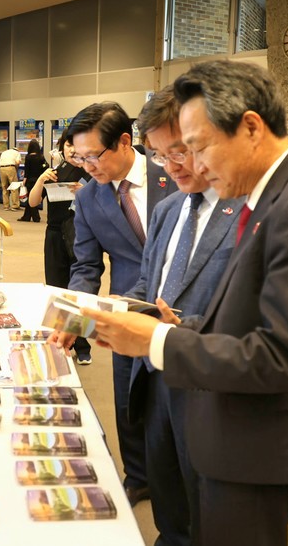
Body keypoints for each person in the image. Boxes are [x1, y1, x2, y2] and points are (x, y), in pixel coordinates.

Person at [82, 60, 288, 546]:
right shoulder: (274, 194)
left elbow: (281, 355)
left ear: (251, 128)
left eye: (196, 147)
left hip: (256, 429)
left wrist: (159, 339)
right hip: (226, 409)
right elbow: (240, 313)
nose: (193, 165)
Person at [125, 87, 244, 546]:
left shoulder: (252, 212)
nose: (170, 166)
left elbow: (254, 317)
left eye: (179, 151)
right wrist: (106, 311)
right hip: (156, 378)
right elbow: (149, 284)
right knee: (170, 501)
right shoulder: (168, 208)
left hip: (212, 386)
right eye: (158, 155)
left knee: (213, 513)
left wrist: (183, 330)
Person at [55, 101, 178, 506]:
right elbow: (86, 266)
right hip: (126, 308)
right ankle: (138, 476)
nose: (87, 166)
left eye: (94, 156)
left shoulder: (173, 175)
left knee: (178, 398)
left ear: (125, 141)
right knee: (129, 397)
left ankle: (180, 479)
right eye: (79, 158)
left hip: (181, 306)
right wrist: (74, 321)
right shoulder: (90, 197)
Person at [28, 128, 92, 363]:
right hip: (55, 235)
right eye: (68, 145)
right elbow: (33, 202)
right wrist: (40, 180)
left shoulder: (92, 172)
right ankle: (60, 341)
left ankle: (83, 346)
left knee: (80, 293)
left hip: (82, 236)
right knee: (57, 290)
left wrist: (87, 193)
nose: (73, 150)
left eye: (77, 145)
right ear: (62, 147)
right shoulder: (54, 173)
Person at [18, 139, 48, 222]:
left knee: (31, 198)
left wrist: (24, 180)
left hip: (30, 180)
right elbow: (45, 166)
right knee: (31, 198)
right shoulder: (41, 157)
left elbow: (27, 170)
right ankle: (26, 216)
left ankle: (36, 217)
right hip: (38, 180)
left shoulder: (28, 157)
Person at [0, 146, 22, 211]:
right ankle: (15, 206)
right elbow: (17, 162)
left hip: (1, 168)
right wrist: (16, 169)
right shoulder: (17, 153)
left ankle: (6, 206)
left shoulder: (4, 152)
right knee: (14, 187)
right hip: (10, 168)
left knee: (4, 187)